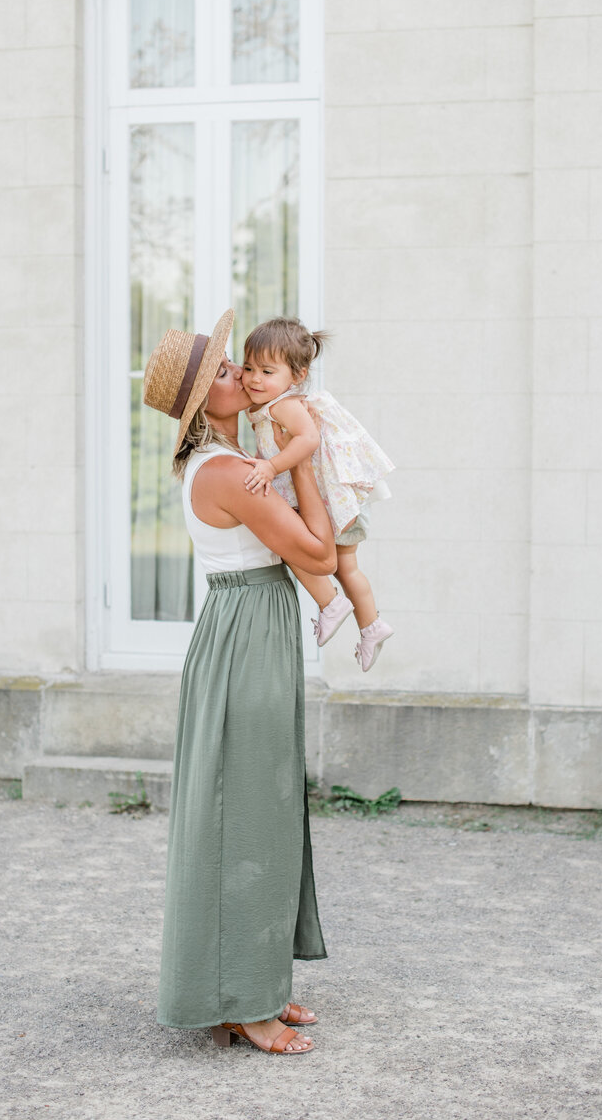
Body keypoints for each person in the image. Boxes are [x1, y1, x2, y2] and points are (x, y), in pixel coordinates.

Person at [142, 309, 336, 1056]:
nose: (243, 375)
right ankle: (242, 1002)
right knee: (246, 812)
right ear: (202, 402)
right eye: (225, 371)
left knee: (265, 805)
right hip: (247, 636)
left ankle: (255, 980)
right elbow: (317, 554)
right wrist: (303, 460)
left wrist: (282, 457)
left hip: (249, 627)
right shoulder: (228, 470)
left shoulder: (224, 459)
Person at [241, 316, 395, 672]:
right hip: (337, 503)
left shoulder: (284, 405)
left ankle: (331, 605)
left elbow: (307, 440)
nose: (253, 379)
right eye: (248, 368)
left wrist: (271, 466)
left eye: (267, 371)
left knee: (290, 543)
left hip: (332, 505)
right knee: (347, 568)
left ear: (296, 376)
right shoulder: (276, 404)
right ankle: (371, 626)